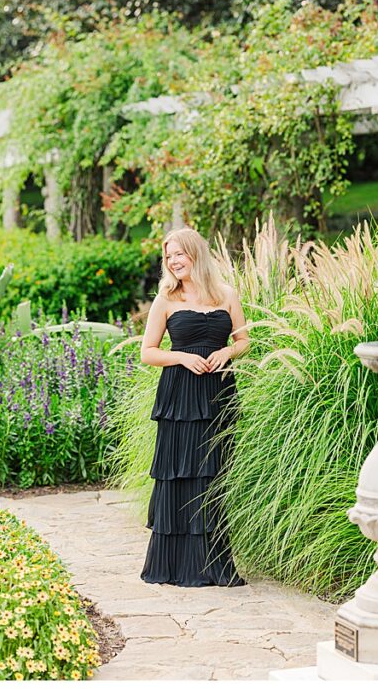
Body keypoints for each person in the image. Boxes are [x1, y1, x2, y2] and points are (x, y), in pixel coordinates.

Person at [138, 227, 247, 587]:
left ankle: (213, 564)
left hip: (218, 394)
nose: (172, 262)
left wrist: (227, 351)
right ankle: (171, 566)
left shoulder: (226, 294)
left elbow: (243, 340)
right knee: (178, 472)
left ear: (196, 253)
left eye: (179, 254)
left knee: (212, 474)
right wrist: (183, 358)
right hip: (179, 396)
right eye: (168, 257)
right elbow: (148, 352)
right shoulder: (166, 298)